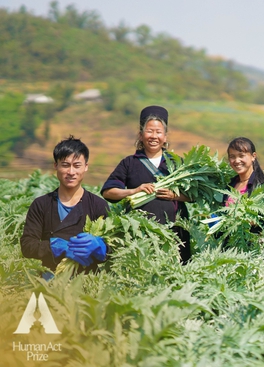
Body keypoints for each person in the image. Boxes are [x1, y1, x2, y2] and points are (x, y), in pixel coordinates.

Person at [101, 105, 191, 263]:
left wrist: (175, 196)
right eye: (149, 131)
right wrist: (134, 191)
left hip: (175, 235)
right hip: (139, 236)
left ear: (165, 136)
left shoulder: (177, 163)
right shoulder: (129, 163)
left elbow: (194, 196)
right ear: (141, 135)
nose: (154, 136)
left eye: (158, 132)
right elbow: (108, 192)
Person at [21, 136, 110, 275]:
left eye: (77, 165)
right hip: (49, 280)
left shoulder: (98, 205)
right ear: (55, 165)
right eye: (65, 165)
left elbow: (113, 251)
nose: (71, 172)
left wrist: (101, 247)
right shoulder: (41, 204)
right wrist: (55, 247)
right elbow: (27, 246)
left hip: (88, 284)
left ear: (86, 167)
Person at [222, 137, 264, 233]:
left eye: (241, 156)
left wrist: (257, 222)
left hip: (256, 245)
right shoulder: (230, 186)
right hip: (231, 246)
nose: (236, 160)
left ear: (253, 156)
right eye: (232, 156)